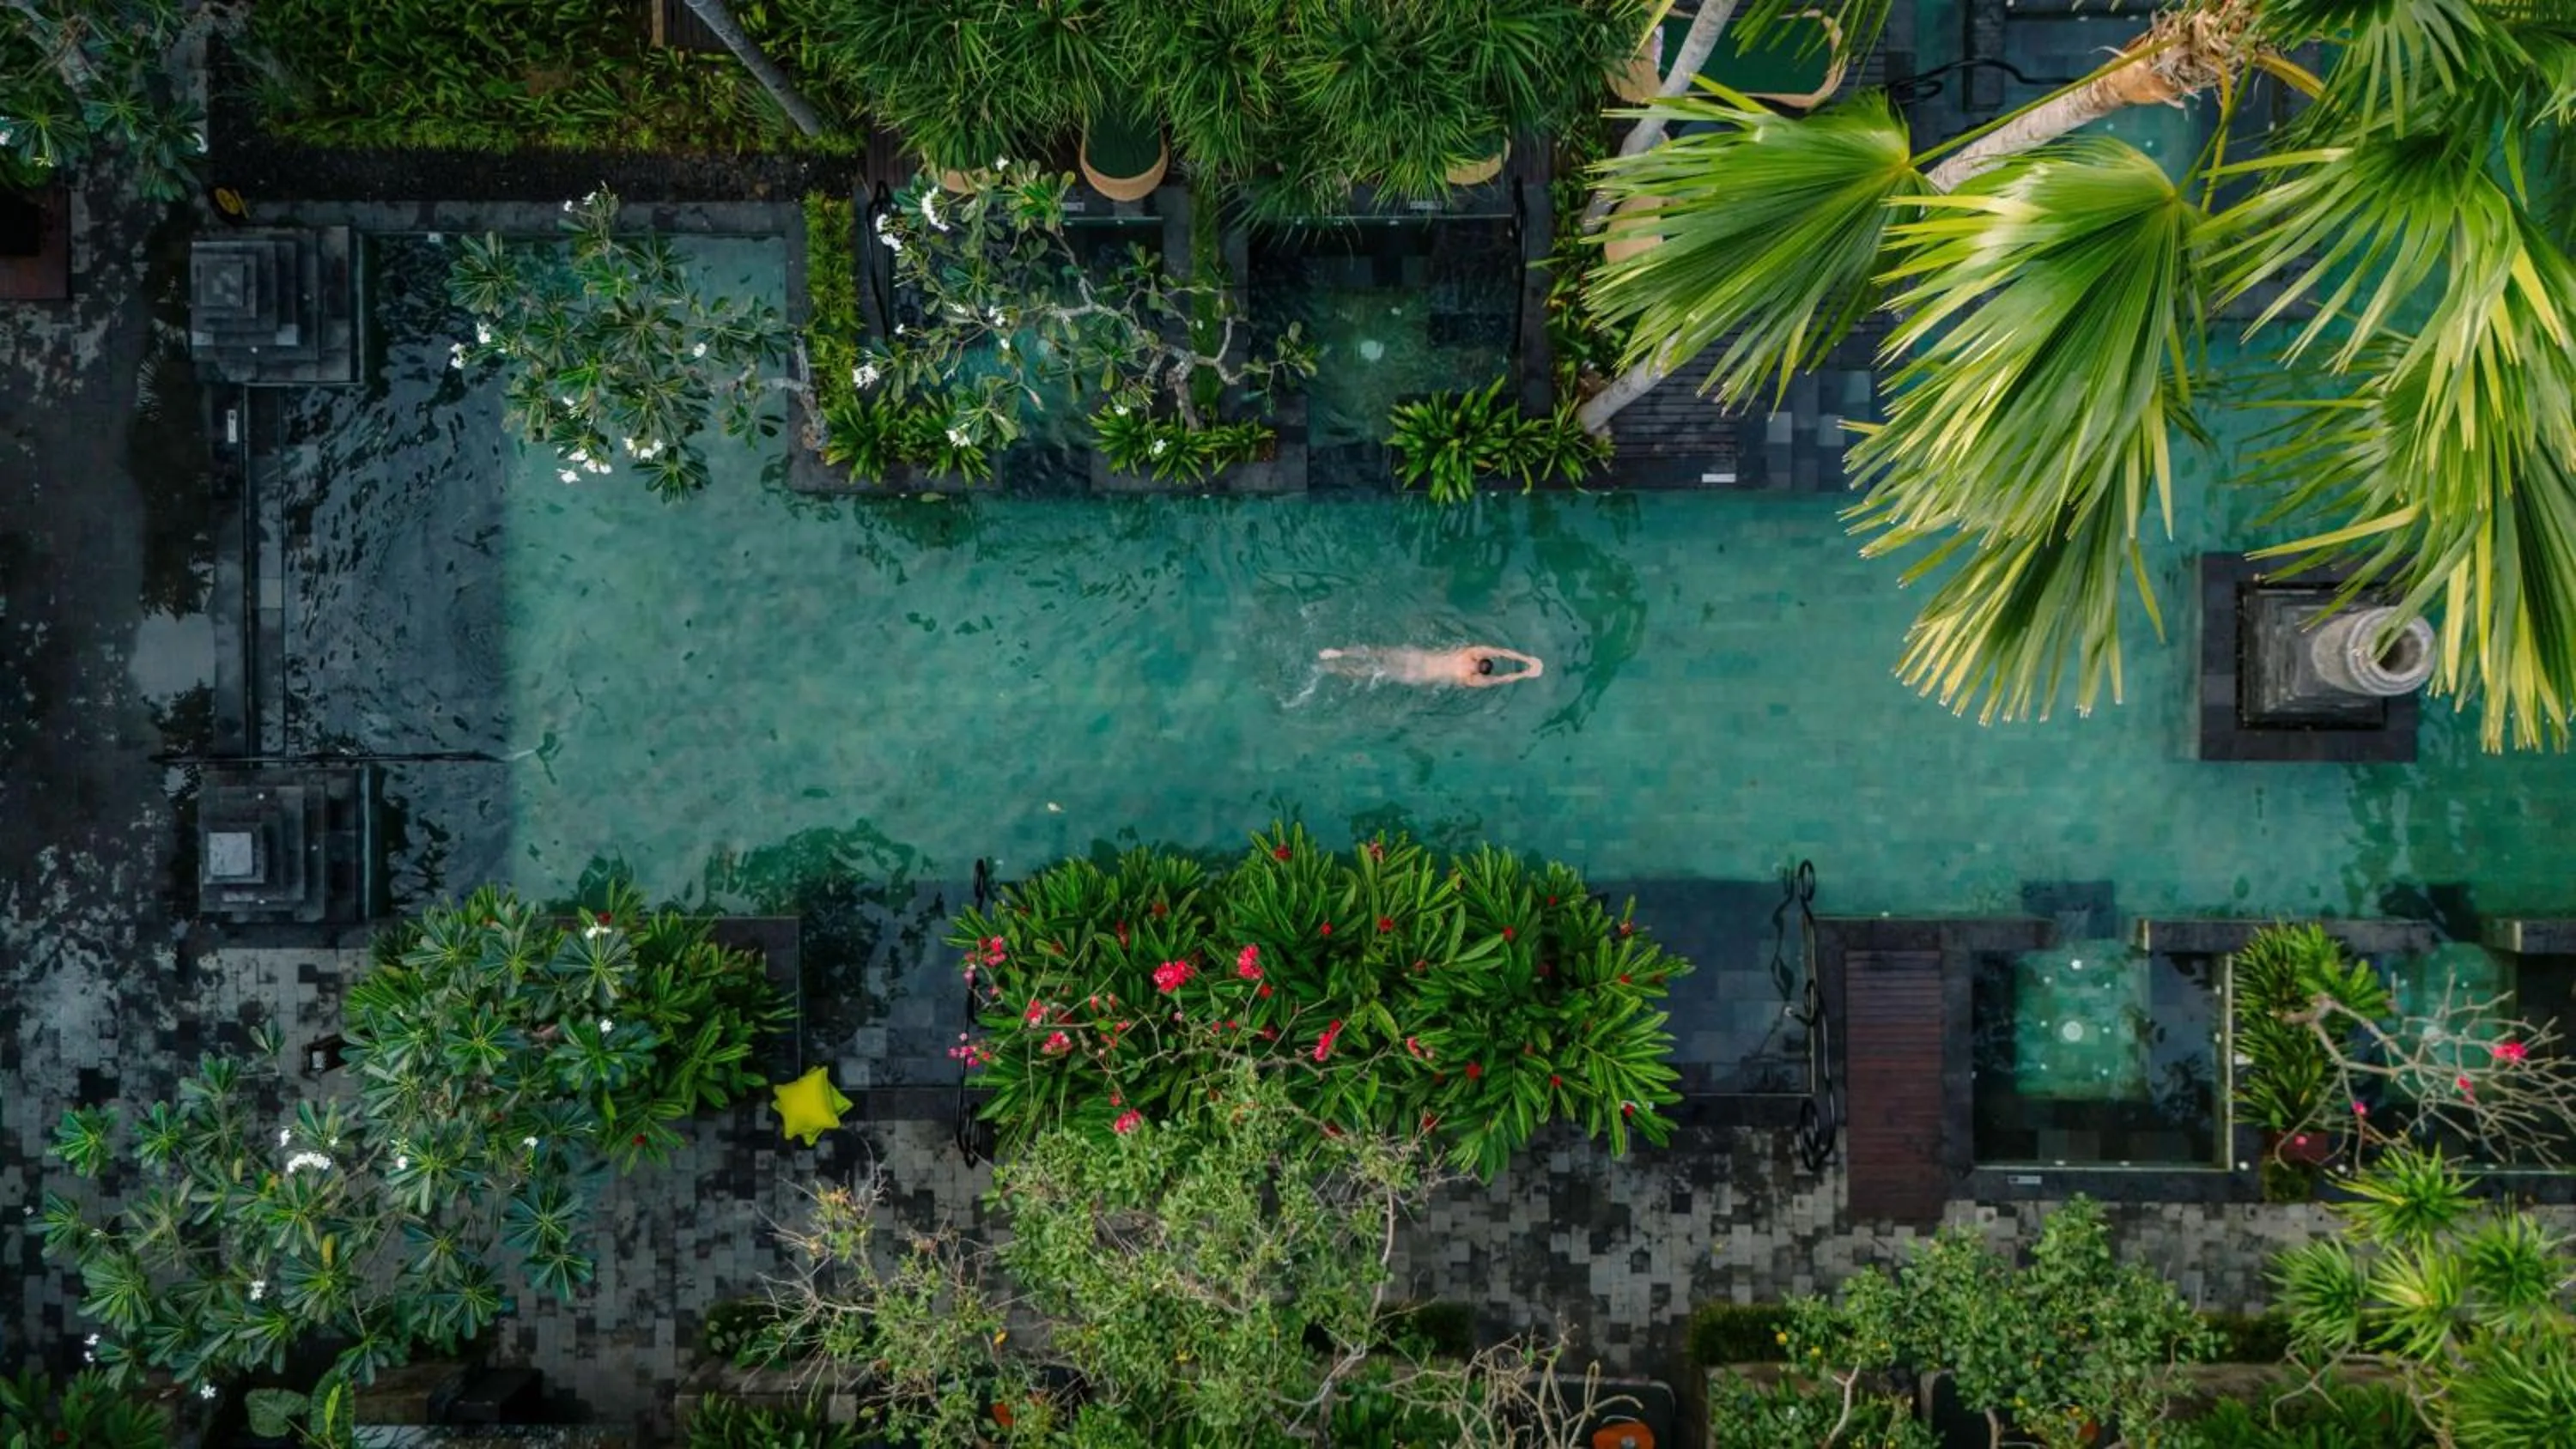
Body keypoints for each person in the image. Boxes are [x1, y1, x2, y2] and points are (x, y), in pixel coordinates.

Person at [1316, 645, 1544, 688]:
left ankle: (1339, 652)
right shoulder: (1470, 678)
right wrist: (1524, 674)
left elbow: (1501, 652)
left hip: (1415, 657)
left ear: (1478, 660)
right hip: (1415, 674)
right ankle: (1335, 670)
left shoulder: (1470, 652)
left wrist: (1526, 658)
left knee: (1379, 652)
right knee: (1371, 673)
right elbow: (1499, 680)